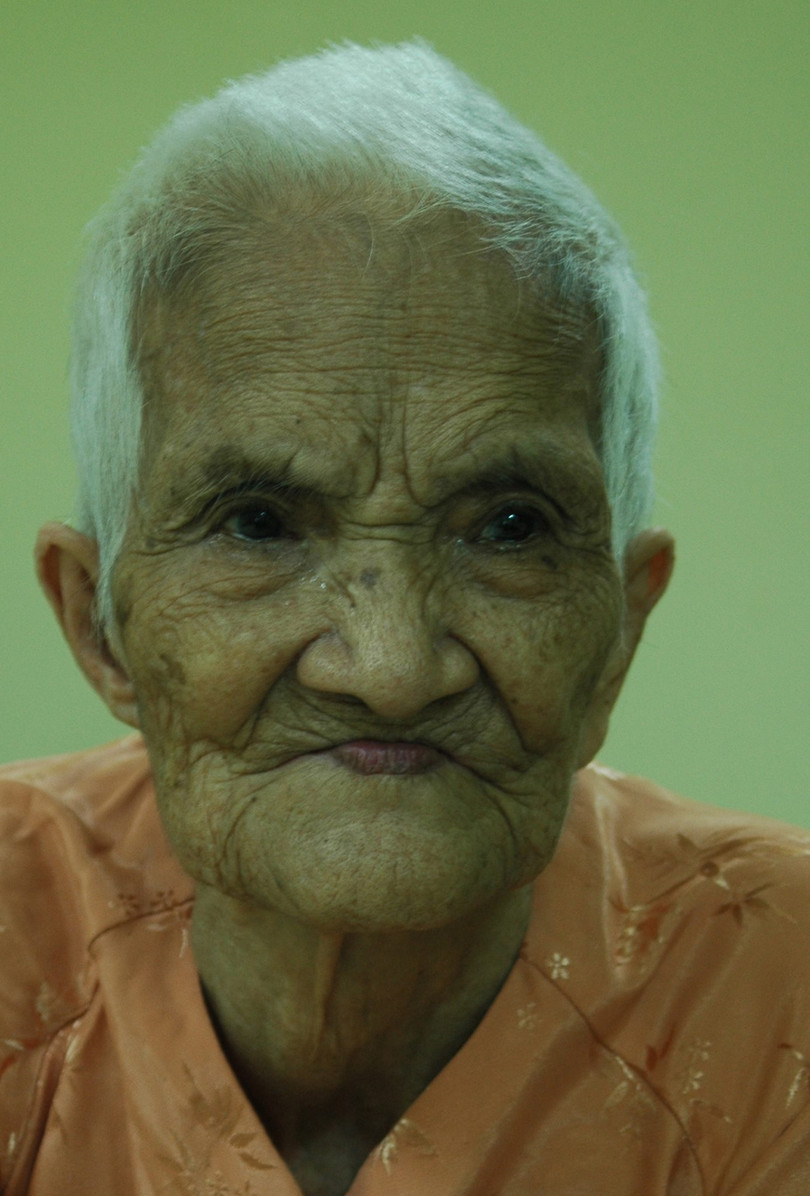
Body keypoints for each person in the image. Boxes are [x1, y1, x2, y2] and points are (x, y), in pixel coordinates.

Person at [2, 37, 809, 1196]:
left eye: (510, 528)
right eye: (259, 523)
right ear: (98, 623)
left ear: (620, 635)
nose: (388, 666)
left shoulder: (779, 993)